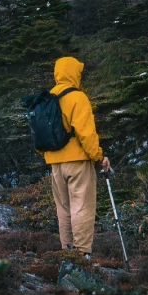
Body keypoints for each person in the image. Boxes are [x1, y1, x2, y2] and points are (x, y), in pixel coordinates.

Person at [42, 56, 110, 258]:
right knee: (81, 206)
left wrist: (48, 154)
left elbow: (39, 133)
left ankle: (67, 250)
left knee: (63, 208)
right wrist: (98, 156)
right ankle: (82, 253)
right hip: (78, 161)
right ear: (74, 73)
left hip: (55, 163)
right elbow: (86, 134)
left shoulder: (47, 98)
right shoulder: (77, 97)